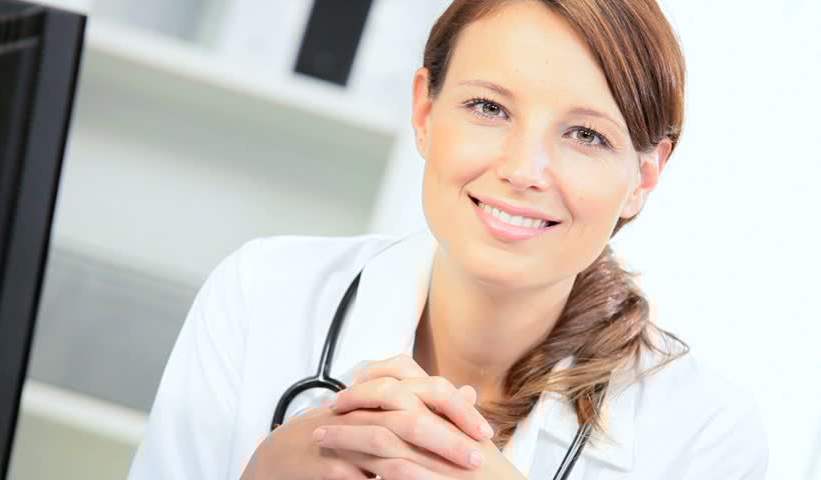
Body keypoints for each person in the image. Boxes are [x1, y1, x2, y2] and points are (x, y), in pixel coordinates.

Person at [128, 0, 768, 478]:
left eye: (586, 135)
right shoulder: (261, 293)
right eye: (489, 108)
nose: (524, 169)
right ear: (425, 113)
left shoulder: (705, 436)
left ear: (643, 176)